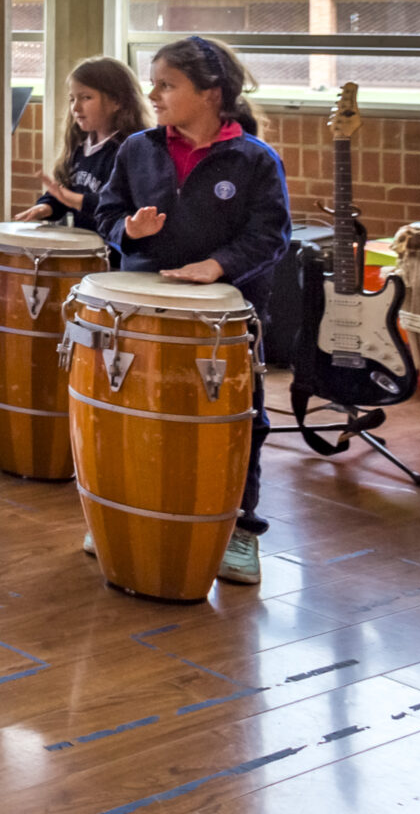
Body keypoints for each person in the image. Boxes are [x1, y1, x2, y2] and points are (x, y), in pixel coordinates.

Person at [91, 35, 290, 586]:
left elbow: (271, 236)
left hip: (227, 319)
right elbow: (108, 213)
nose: (152, 95)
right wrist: (126, 230)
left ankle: (240, 531)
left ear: (211, 93)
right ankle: (120, 513)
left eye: (166, 85)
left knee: (238, 419)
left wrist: (218, 266)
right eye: (153, 83)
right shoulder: (138, 149)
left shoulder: (254, 160)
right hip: (141, 312)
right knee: (132, 410)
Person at [18, 56, 149, 232]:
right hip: (87, 252)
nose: (75, 108)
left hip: (116, 253)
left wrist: (73, 199)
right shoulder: (80, 147)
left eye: (86, 97)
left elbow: (121, 204)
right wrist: (47, 206)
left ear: (117, 101)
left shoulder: (131, 150)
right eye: (72, 99)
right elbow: (66, 191)